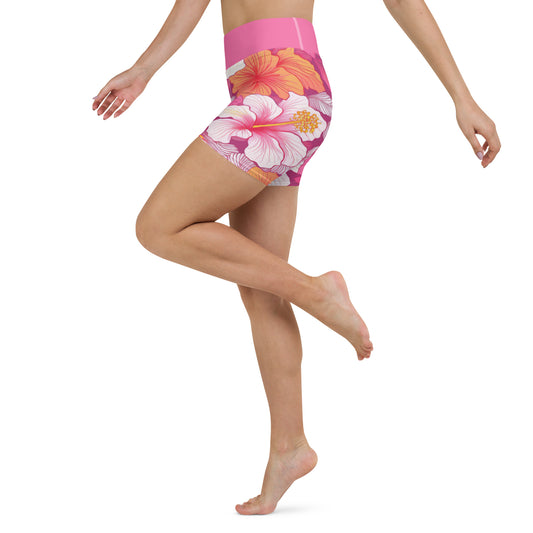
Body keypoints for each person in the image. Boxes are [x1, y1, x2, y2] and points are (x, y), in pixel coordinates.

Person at [91, 0, 501, 516]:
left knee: (157, 226)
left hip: (281, 93)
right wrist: (143, 71)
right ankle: (290, 447)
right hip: (266, 90)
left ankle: (318, 293)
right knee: (262, 287)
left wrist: (462, 98)